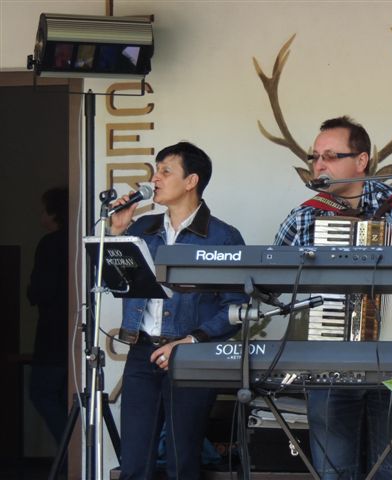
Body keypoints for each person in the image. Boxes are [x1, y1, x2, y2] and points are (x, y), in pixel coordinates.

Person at [274, 116, 392, 479]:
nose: (320, 165)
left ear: (361, 161)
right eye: (315, 157)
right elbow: (271, 282)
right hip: (326, 362)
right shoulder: (305, 217)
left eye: (331, 156)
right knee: (333, 472)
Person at [110, 141, 248, 480]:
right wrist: (116, 232)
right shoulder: (142, 230)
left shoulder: (223, 237)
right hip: (143, 351)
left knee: (182, 460)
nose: (155, 179)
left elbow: (237, 308)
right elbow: (114, 286)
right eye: (156, 171)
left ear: (191, 181)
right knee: (134, 461)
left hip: (192, 356)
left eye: (165, 171)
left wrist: (189, 341)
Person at [28, 187, 69, 446]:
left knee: (41, 393)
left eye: (44, 209)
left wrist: (30, 291)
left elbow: (42, 290)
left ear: (54, 213)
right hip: (75, 333)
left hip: (52, 336)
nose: (40, 215)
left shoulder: (50, 243)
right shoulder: (75, 240)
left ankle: (70, 451)